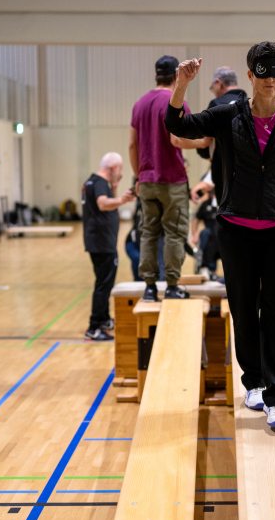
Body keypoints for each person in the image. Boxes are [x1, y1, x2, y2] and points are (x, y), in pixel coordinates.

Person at [165, 42, 275, 433]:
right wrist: (181, 86)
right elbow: (179, 125)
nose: (270, 80)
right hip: (235, 229)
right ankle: (253, 382)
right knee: (244, 307)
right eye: (263, 73)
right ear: (249, 76)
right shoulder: (228, 114)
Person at [130, 54, 209, 302]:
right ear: (177, 75)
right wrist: (204, 141)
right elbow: (176, 139)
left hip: (147, 180)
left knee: (149, 233)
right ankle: (172, 285)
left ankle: (150, 287)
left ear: (156, 75)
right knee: (174, 233)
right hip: (172, 179)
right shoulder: (176, 101)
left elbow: (132, 145)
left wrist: (139, 176)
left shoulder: (139, 104)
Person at [82, 152, 135, 341]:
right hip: (102, 242)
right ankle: (94, 326)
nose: (119, 174)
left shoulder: (93, 182)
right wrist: (122, 199)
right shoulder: (99, 183)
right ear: (112, 168)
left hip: (99, 241)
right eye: (119, 170)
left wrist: (115, 187)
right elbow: (103, 204)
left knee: (105, 282)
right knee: (103, 285)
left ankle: (104, 319)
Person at [196, 66, 249, 204]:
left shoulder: (216, 104)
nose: (213, 91)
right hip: (247, 169)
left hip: (222, 168)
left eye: (212, 87)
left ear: (219, 83)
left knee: (226, 214)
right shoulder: (249, 103)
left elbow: (205, 141)